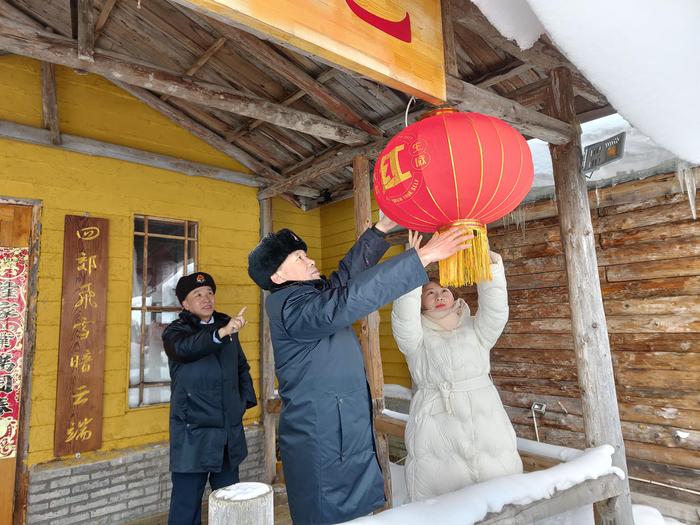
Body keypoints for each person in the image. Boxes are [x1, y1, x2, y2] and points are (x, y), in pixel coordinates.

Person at [247, 218, 471, 525]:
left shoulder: (307, 295)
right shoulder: (290, 306)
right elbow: (346, 300)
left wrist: (379, 230)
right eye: (299, 258)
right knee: (332, 515)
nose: (309, 259)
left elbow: (345, 280)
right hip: (323, 437)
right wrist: (422, 258)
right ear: (277, 275)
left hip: (339, 428)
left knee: (355, 515)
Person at [391, 231, 522, 502]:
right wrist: (415, 264)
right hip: (437, 427)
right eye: (430, 293)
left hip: (486, 424)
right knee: (444, 506)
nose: (439, 296)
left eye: (444, 291)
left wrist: (489, 266)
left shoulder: (475, 329)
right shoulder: (416, 338)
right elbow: (403, 316)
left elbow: (496, 311)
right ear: (420, 303)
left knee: (498, 497)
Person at [161, 272, 257, 525]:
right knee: (185, 509)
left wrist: (241, 404)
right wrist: (221, 333)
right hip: (192, 433)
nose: (206, 299)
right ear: (185, 303)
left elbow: (241, 368)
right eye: (198, 295)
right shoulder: (175, 332)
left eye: (210, 293)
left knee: (229, 504)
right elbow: (187, 348)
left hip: (226, 432)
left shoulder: (227, 325)